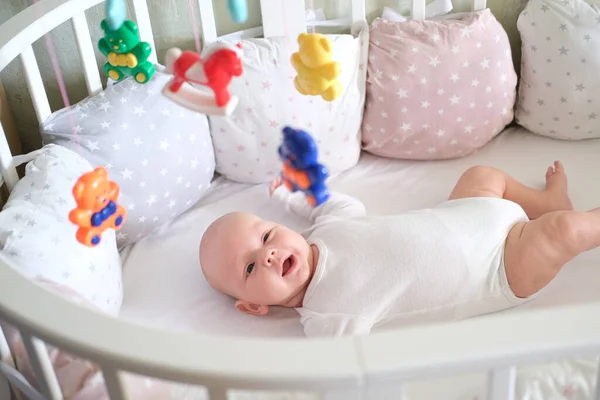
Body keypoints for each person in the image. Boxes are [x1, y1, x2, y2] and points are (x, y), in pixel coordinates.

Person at [199, 162, 600, 337]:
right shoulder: (327, 314)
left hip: (468, 211)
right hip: (497, 267)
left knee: (481, 175)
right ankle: (562, 216)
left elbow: (338, 204)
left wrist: (292, 197)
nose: (267, 255)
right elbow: (341, 371)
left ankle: (549, 202)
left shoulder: (327, 230)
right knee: (560, 232)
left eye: (267, 236)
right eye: (250, 268)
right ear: (252, 306)